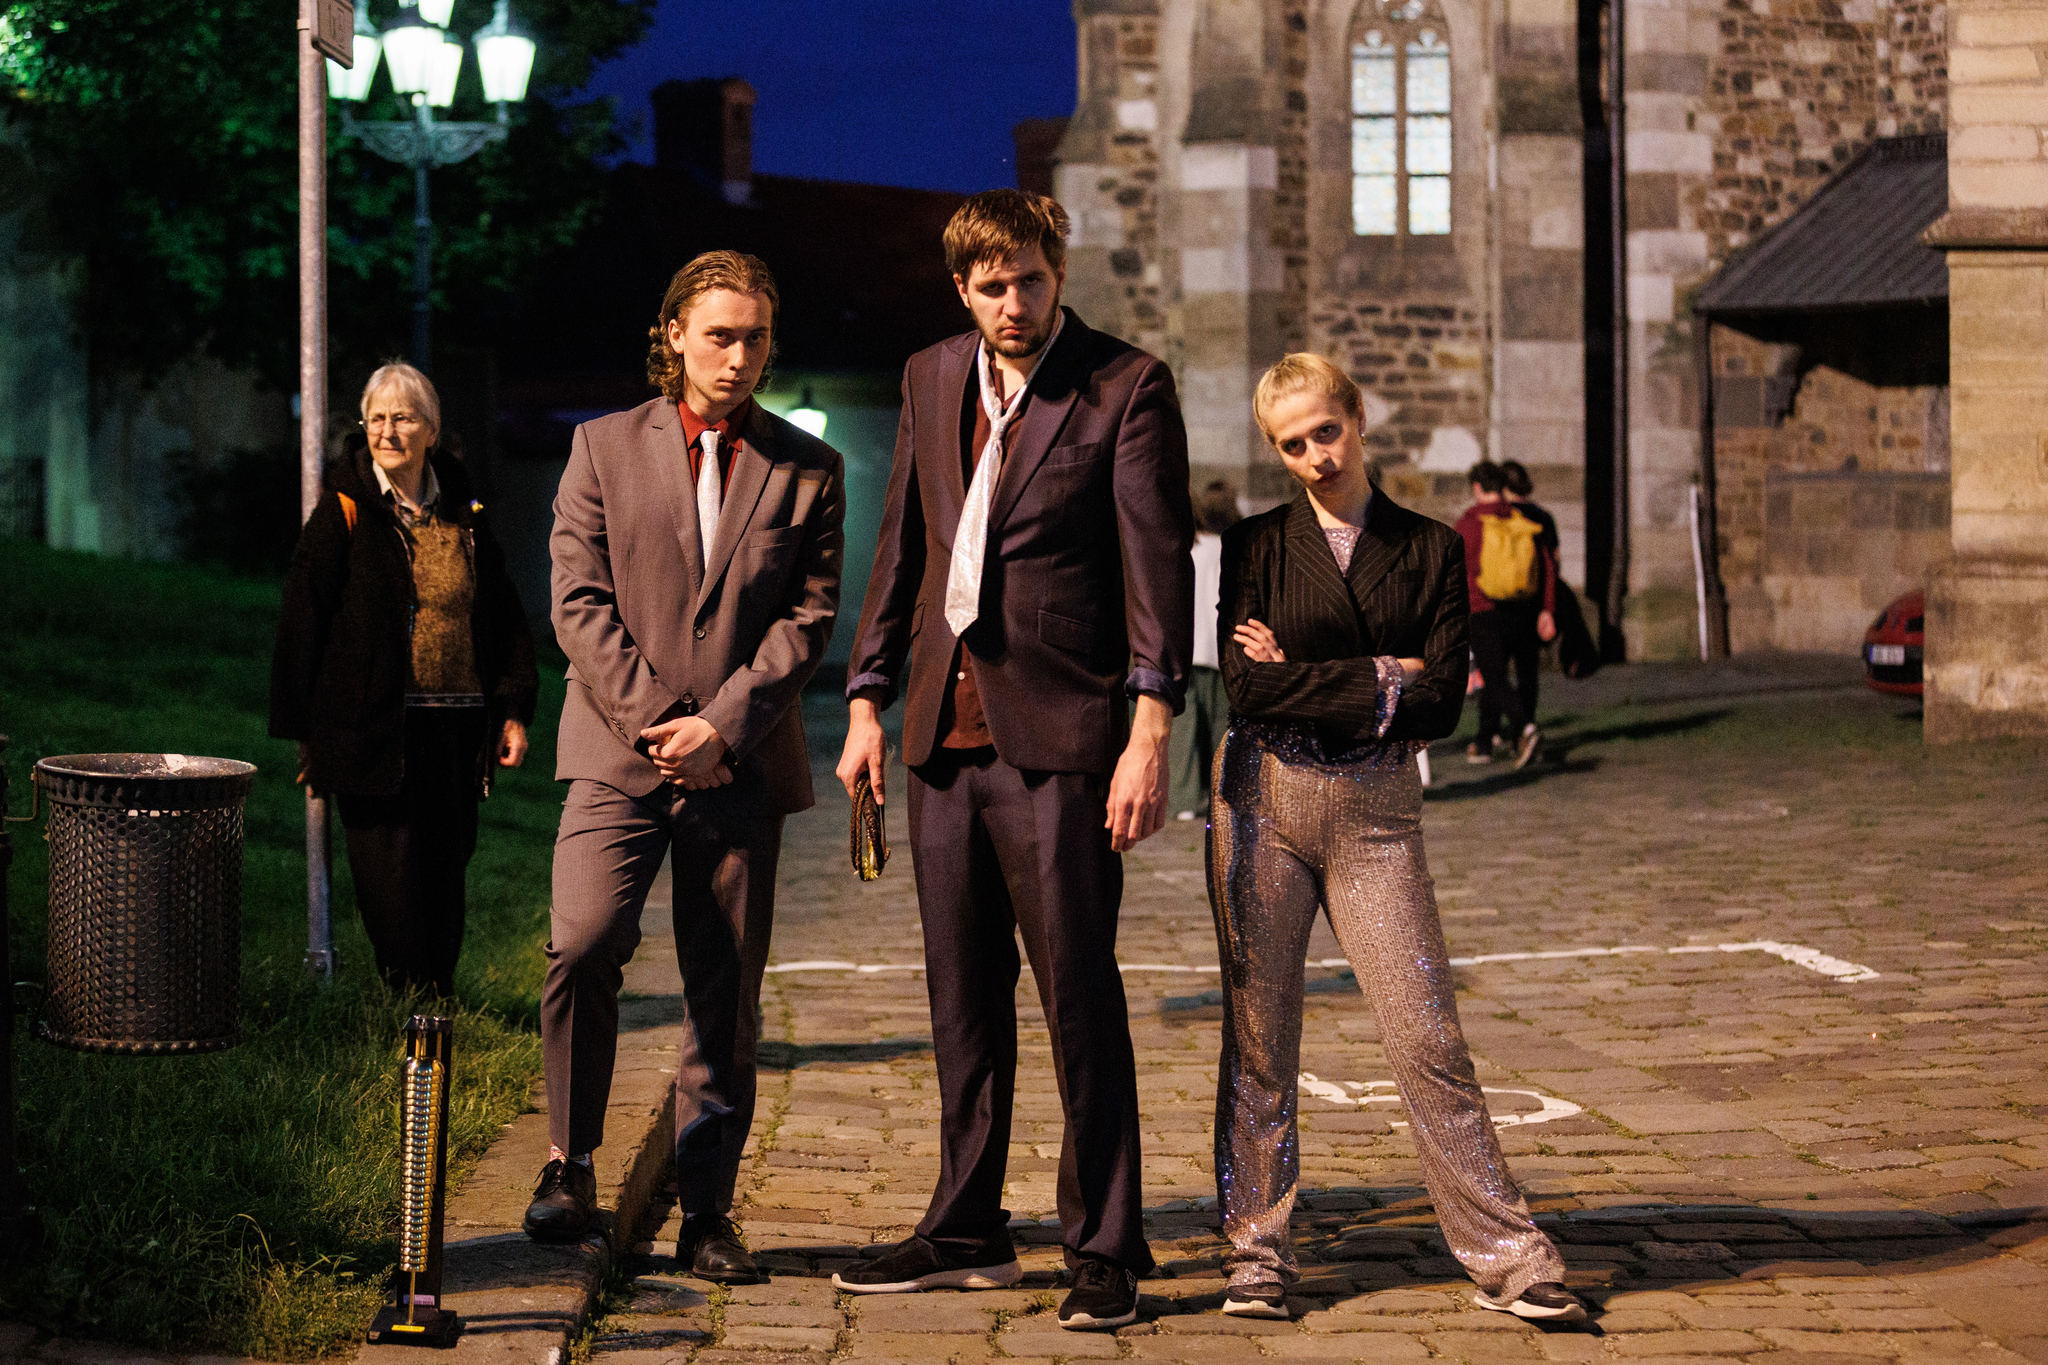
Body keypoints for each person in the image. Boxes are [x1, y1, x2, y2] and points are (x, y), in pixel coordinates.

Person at [833, 189, 1193, 1331]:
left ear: (1057, 272)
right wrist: (865, 700)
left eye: (1031, 279)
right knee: (963, 997)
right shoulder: (929, 375)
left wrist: (1149, 729)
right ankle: (966, 1228)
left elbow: (1157, 569)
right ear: (962, 289)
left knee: (1077, 992)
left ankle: (1104, 1243)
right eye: (992, 286)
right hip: (941, 736)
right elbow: (900, 547)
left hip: (1065, 736)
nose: (1014, 303)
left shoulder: (1124, 385)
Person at [1206, 354, 1585, 1324]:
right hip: (1260, 801)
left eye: (1325, 432)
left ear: (1358, 417)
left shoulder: (1428, 547)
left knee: (1426, 1036)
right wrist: (1385, 673)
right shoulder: (1255, 544)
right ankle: (1255, 1253)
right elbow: (1245, 688)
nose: (1314, 456)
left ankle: (1509, 1254)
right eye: (1291, 444)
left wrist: (1314, 672)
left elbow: (1444, 700)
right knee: (1260, 1041)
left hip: (1375, 814)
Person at [522, 251, 846, 1285]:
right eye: (719, 335)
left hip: (739, 768)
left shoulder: (807, 466)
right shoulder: (603, 447)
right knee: (582, 942)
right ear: (673, 334)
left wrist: (724, 728)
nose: (738, 356)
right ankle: (569, 1161)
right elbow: (576, 601)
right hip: (616, 754)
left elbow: (808, 619)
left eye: (755, 338)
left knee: (723, 990)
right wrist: (666, 722)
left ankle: (706, 1212)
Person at [270, 361, 537, 1000]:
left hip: (456, 726)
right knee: (389, 877)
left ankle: (437, 998)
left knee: (447, 864)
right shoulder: (345, 510)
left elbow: (502, 616)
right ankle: (408, 1000)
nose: (388, 431)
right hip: (372, 729)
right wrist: (307, 733)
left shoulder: (465, 513)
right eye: (377, 419)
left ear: (432, 431)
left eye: (403, 418)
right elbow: (303, 618)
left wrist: (512, 709)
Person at [1453, 462, 1554, 768]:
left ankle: (1526, 728)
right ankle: (1484, 743)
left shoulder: (1469, 524)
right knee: (1507, 676)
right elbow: (1547, 567)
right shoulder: (1521, 521)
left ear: (1477, 488)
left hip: (1481, 611)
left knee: (1493, 678)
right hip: (1521, 609)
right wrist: (1547, 609)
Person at [1170, 480, 1240, 821]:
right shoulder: (1224, 549)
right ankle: (1222, 795)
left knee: (1183, 731)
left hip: (1184, 648)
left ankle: (1184, 798)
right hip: (1215, 649)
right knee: (1219, 729)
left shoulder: (1183, 550)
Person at [1497, 460, 1563, 725]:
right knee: (1528, 671)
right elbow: (1553, 561)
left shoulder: (1501, 515)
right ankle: (1527, 723)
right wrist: (1549, 606)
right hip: (1534, 601)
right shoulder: (1543, 516)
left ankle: (1497, 730)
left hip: (1502, 600)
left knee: (1496, 671)